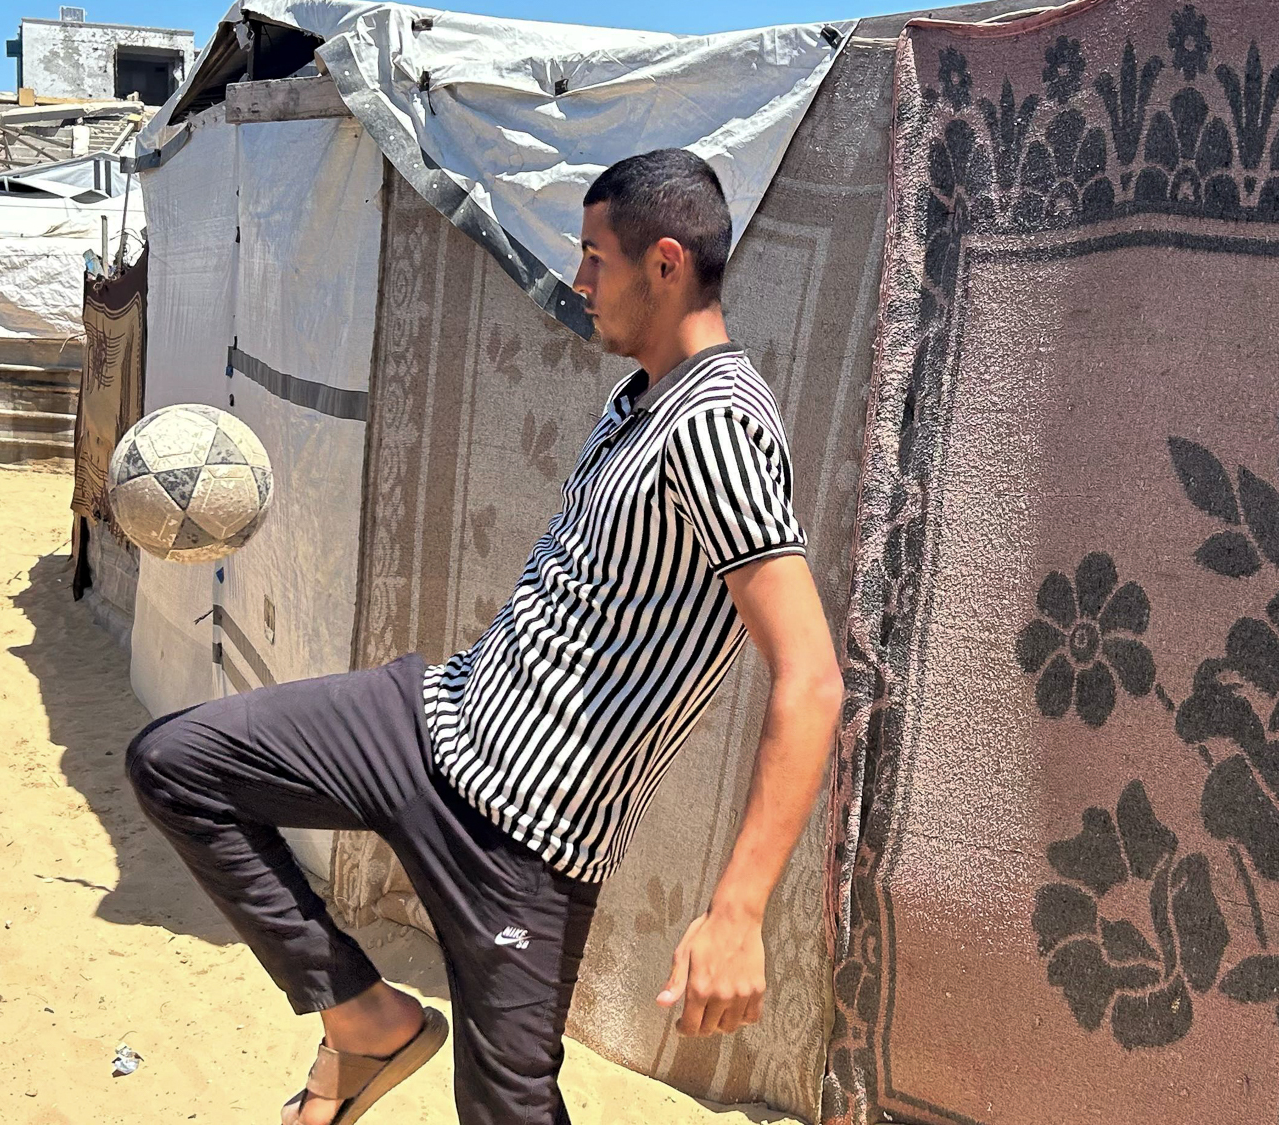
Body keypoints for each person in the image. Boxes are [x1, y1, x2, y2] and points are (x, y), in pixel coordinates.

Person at [126, 148, 844, 1125]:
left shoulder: (715, 424)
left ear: (664, 263)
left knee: (506, 1112)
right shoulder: (640, 399)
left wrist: (737, 911)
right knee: (176, 764)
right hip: (432, 722)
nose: (579, 281)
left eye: (595, 258)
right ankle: (363, 1019)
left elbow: (807, 677)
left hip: (523, 845)